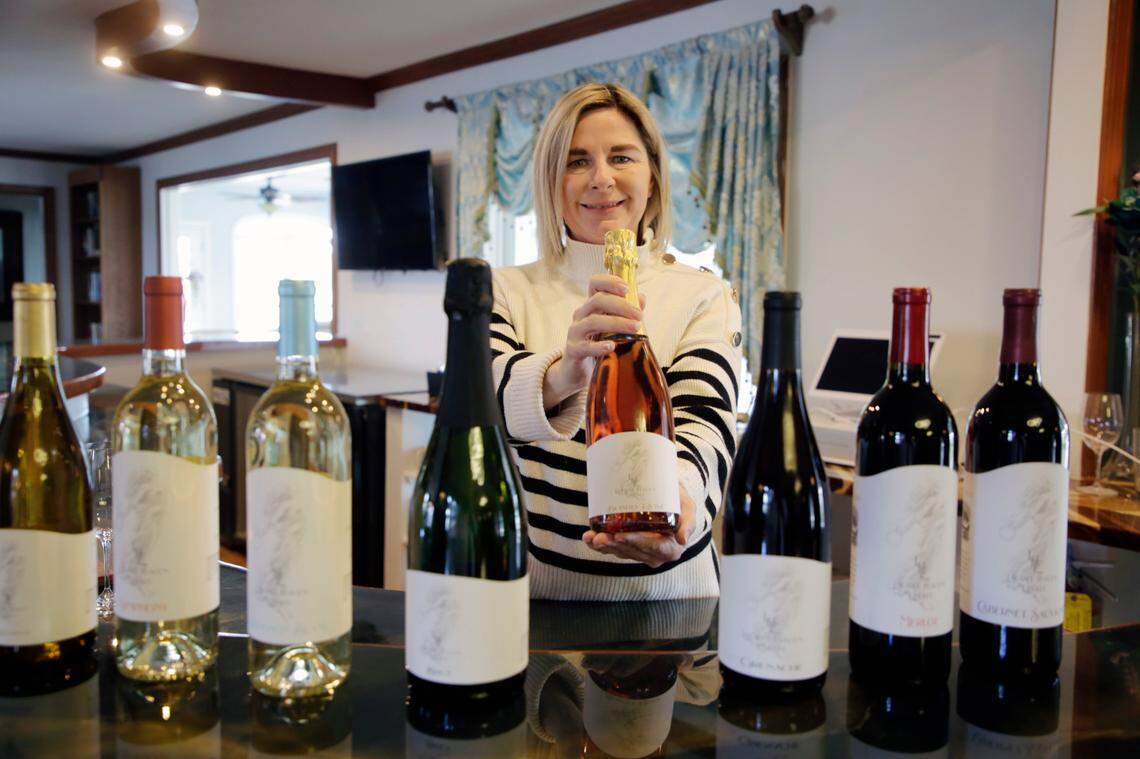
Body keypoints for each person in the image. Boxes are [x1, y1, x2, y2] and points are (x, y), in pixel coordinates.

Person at [491, 82, 742, 600]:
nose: (601, 178)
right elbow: (485, 410)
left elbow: (704, 422)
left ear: (652, 174)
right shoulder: (506, 290)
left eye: (621, 157)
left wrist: (678, 511)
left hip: (676, 597)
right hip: (545, 599)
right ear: (550, 180)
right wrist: (565, 372)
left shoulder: (704, 295)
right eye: (577, 161)